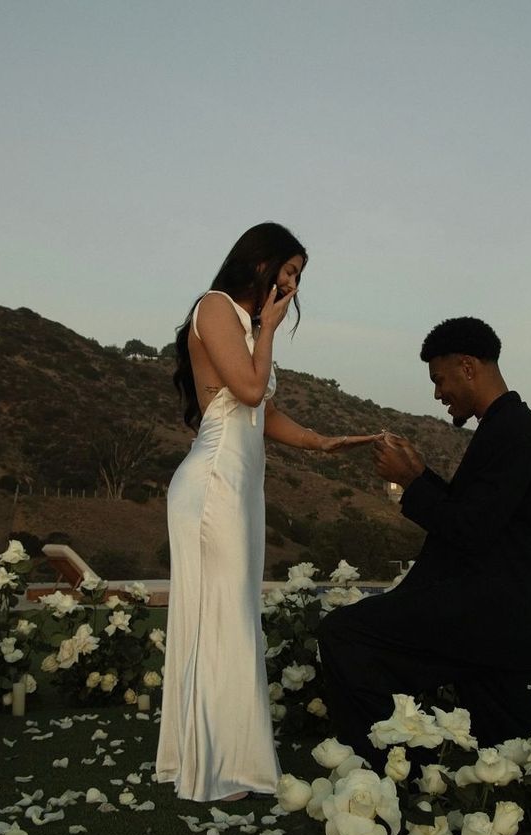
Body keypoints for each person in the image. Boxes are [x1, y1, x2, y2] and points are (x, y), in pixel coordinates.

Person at [156, 222, 375, 802]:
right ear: (261, 263)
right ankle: (218, 768)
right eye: (290, 271)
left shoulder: (247, 326)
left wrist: (326, 443)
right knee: (220, 618)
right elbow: (251, 394)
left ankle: (222, 761)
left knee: (234, 616)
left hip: (240, 488)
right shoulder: (216, 307)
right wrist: (270, 329)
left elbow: (265, 417)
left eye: (299, 277)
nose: (294, 285)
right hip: (211, 486)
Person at [318, 316, 531, 770]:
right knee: (509, 757)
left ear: (468, 366)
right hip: (505, 619)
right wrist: (422, 475)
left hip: (494, 619)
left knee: (343, 635)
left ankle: (385, 769)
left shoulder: (512, 431)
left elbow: (470, 529)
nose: (436, 393)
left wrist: (411, 480)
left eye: (439, 379)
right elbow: (475, 513)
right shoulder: (507, 425)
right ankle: (411, 759)